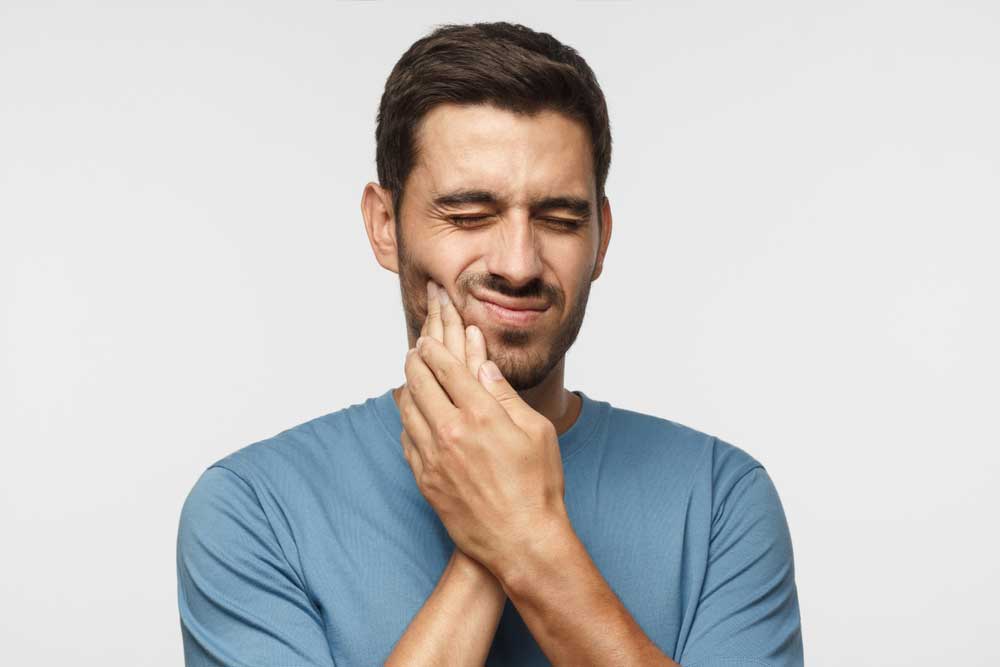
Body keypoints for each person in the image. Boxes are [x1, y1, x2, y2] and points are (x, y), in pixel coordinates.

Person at [176, 21, 804, 666]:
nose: (519, 263)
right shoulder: (250, 509)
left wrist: (526, 537)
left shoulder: (722, 501)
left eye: (560, 220)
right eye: (470, 216)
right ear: (386, 225)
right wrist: (495, 535)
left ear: (602, 239)